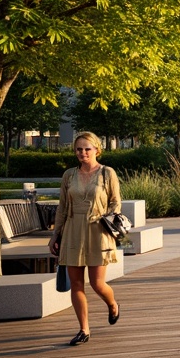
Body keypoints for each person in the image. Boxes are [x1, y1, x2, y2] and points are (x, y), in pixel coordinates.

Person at [49, 131, 123, 346]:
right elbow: (62, 207)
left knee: (98, 284)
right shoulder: (69, 175)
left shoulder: (107, 173)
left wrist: (106, 219)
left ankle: (112, 304)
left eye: (87, 149)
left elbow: (115, 203)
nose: (82, 153)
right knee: (77, 284)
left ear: (97, 150)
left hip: (98, 231)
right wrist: (56, 234)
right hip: (72, 230)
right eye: (79, 149)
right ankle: (84, 329)